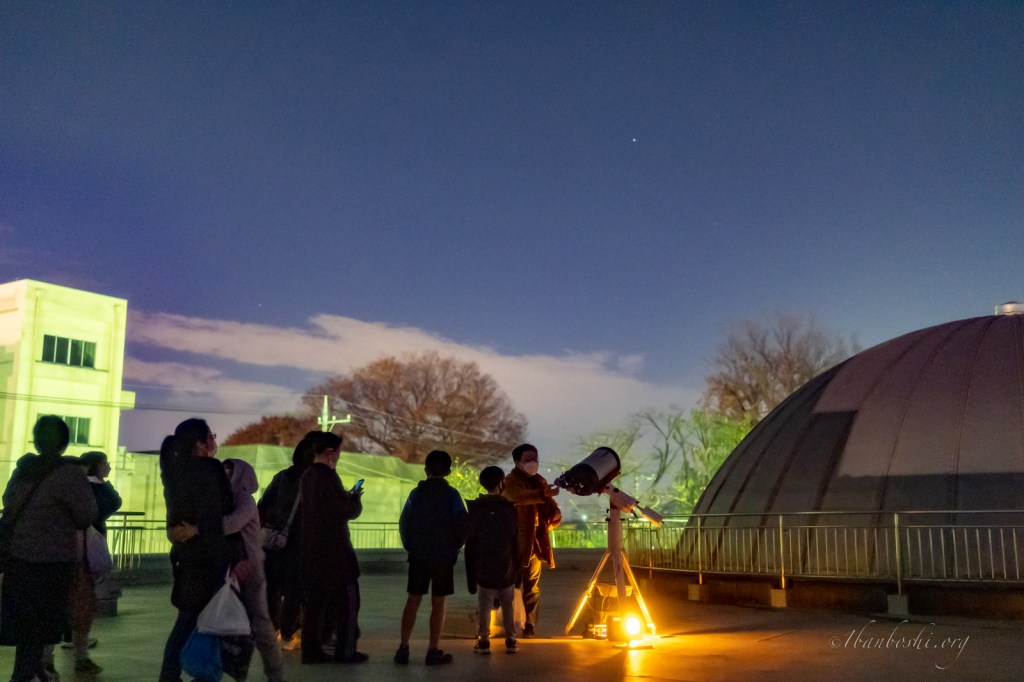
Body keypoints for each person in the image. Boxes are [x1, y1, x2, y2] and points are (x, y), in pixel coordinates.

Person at [0, 416, 97, 682]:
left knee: (25, 628)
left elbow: (8, 501)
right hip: (51, 561)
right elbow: (86, 514)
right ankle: (23, 676)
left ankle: (32, 673)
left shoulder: (24, 469)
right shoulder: (68, 475)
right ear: (65, 442)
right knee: (40, 627)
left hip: (17, 559)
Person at [158, 418, 244, 682]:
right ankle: (191, 674)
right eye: (211, 436)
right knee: (202, 621)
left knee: (189, 620)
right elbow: (221, 511)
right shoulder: (209, 469)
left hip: (186, 556)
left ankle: (174, 675)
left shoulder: (173, 470)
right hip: (210, 558)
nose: (214, 441)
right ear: (200, 443)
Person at [298, 432, 367, 664]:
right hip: (336, 551)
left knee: (315, 604)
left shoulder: (307, 476)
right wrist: (355, 498)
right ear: (330, 452)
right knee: (349, 601)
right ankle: (345, 651)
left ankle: (311, 651)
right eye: (338, 451)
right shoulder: (328, 477)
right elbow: (344, 511)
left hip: (312, 549)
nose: (339, 455)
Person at [395, 450, 467, 666]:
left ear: (426, 470)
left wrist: (411, 546)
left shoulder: (415, 495)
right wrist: (455, 547)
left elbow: (404, 523)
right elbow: (462, 524)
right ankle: (433, 650)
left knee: (413, 599)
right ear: (449, 472)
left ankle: (403, 648)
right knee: (438, 602)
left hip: (418, 554)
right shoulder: (452, 496)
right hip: (443, 556)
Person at [222, 459, 286, 682]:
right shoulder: (229, 499)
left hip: (251, 568)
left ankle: (274, 672)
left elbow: (232, 524)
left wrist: (203, 527)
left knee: (259, 622)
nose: (226, 473)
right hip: (236, 567)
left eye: (230, 470)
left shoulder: (244, 500)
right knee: (239, 622)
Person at [63, 450, 123, 675]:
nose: (108, 467)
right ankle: (78, 654)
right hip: (83, 551)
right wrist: (103, 484)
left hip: (65, 551)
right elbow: (112, 503)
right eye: (104, 463)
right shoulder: (91, 489)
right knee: (82, 601)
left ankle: (52, 655)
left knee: (68, 601)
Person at [257, 434, 315, 649]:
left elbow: (262, 506)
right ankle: (289, 635)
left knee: (273, 588)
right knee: (294, 590)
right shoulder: (313, 480)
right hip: (299, 542)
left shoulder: (282, 477)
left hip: (274, 540)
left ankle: (272, 632)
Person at [502, 443, 561, 638]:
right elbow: (517, 496)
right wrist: (542, 494)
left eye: (535, 459)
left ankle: (529, 624)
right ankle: (509, 624)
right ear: (517, 462)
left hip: (535, 543)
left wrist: (556, 516)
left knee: (532, 586)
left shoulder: (540, 481)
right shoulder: (510, 481)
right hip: (515, 541)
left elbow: (550, 507)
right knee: (511, 584)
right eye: (528, 460)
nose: (533, 463)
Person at [465, 466, 520, 655]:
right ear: (501, 483)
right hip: (506, 566)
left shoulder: (475, 508)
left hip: (483, 567)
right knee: (507, 603)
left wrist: (471, 575)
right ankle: (511, 639)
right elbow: (516, 541)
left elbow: (470, 543)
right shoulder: (509, 508)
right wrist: (517, 568)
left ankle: (484, 640)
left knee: (484, 604)